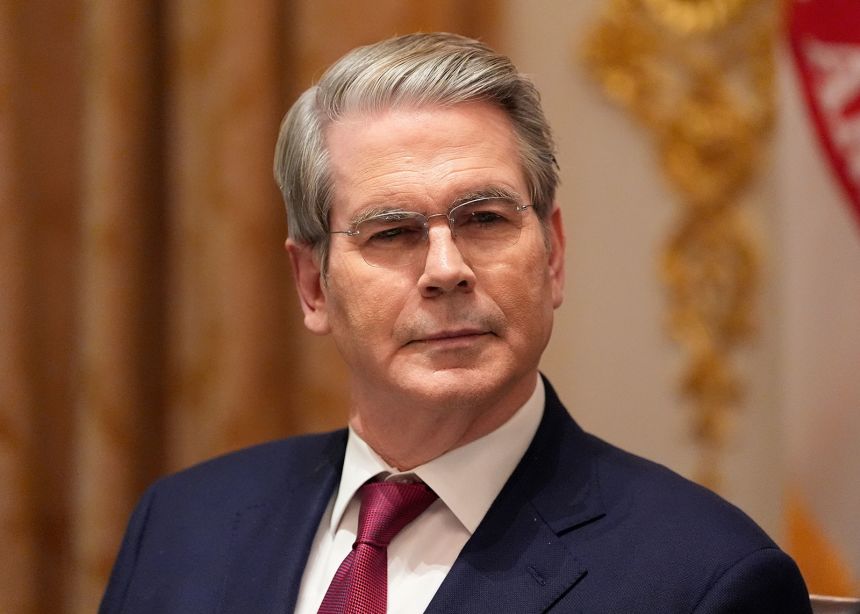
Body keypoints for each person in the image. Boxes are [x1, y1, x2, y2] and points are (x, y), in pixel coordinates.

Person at [99, 33, 811, 613]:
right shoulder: (181, 524)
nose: (446, 268)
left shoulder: (704, 578)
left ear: (554, 255)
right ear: (312, 285)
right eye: (392, 232)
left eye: (485, 219)